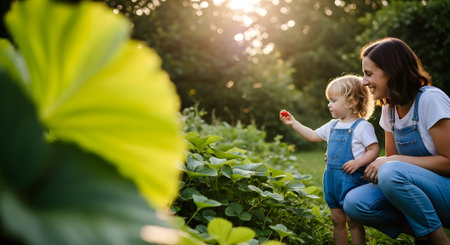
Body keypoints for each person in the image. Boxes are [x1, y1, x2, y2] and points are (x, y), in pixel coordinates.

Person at [343, 37, 450, 245]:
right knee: (354, 203)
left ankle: (439, 241)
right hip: (417, 193)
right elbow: (391, 160)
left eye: (369, 74)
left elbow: (448, 162)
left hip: (445, 191)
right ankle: (425, 233)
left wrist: (391, 161)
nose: (364, 82)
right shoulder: (388, 109)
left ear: (391, 71)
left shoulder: (430, 99)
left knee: (391, 170)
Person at [280, 75, 380, 245]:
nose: (329, 104)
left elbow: (374, 149)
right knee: (336, 220)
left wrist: (358, 162)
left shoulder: (362, 127)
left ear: (351, 102)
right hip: (332, 182)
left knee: (353, 220)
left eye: (333, 100)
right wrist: (294, 124)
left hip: (352, 181)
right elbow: (313, 135)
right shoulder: (332, 125)